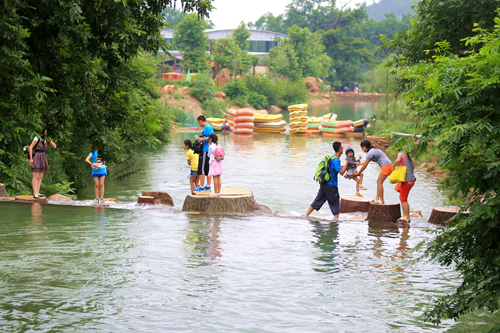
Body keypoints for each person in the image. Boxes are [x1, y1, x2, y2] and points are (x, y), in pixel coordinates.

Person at [305, 141, 349, 220]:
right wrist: (347, 163)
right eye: (342, 147)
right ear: (339, 149)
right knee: (335, 204)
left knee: (318, 200)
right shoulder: (336, 160)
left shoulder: (332, 158)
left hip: (324, 184)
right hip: (331, 186)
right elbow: (342, 172)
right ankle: (335, 222)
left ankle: (305, 216)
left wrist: (348, 165)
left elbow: (337, 168)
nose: (343, 149)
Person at [354, 140, 392, 204]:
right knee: (379, 182)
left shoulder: (370, 152)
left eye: (362, 147)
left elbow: (365, 166)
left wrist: (358, 173)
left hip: (386, 166)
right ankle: (377, 198)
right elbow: (365, 162)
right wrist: (359, 163)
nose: (362, 149)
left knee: (379, 182)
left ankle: (381, 199)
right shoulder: (374, 150)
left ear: (365, 147)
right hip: (388, 165)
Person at [29, 125, 57, 199]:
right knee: (36, 175)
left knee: (41, 175)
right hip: (37, 156)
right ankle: (35, 193)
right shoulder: (37, 138)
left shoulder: (46, 139)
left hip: (43, 156)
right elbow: (30, 147)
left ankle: (38, 192)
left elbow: (54, 146)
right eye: (45, 131)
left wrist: (49, 140)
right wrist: (31, 158)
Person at [393, 150, 416, 224]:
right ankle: (404, 215)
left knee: (403, 198)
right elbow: (413, 167)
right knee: (402, 197)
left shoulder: (401, 153)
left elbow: (398, 159)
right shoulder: (407, 155)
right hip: (411, 179)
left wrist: (393, 166)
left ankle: (406, 216)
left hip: (407, 180)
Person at [194, 115, 214, 192]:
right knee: (208, 168)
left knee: (201, 168)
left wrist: (201, 139)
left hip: (206, 150)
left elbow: (212, 136)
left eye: (199, 123)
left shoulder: (208, 127)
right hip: (207, 149)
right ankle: (208, 185)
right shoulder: (207, 127)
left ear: (200, 121)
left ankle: (202, 186)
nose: (199, 124)